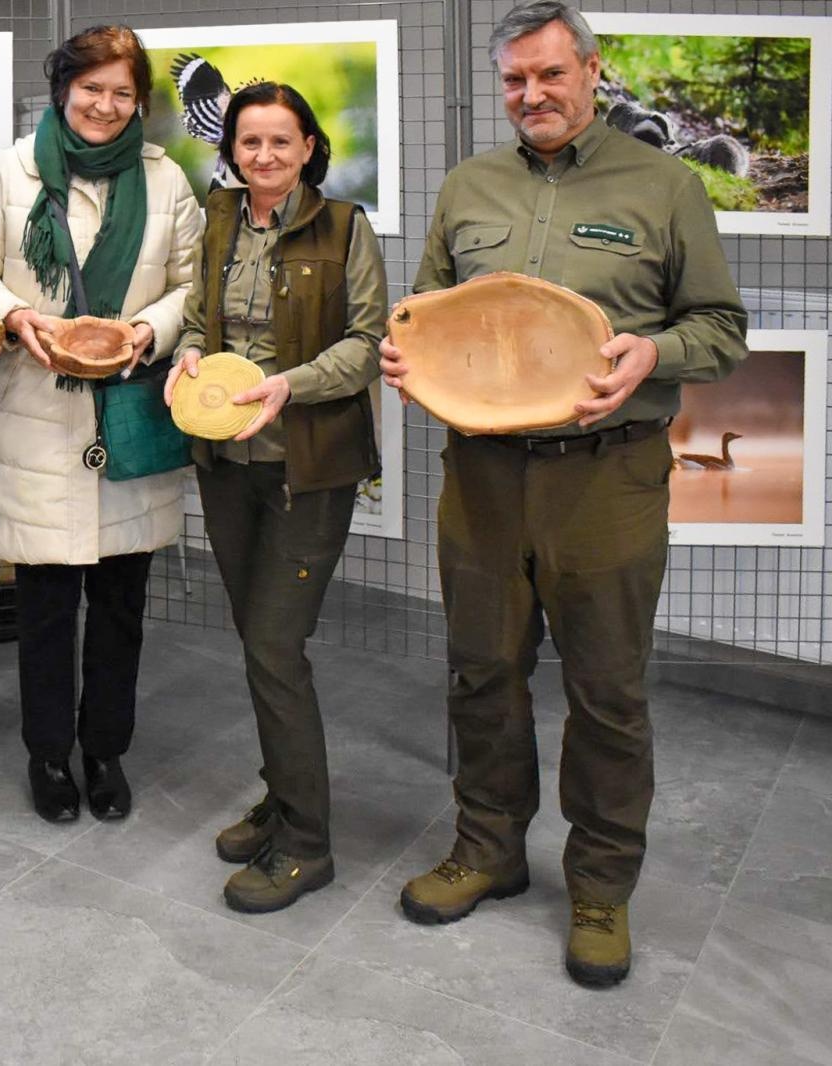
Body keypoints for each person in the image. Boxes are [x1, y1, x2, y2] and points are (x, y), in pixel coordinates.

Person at [380, 0, 747, 987]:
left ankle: (598, 886)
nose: (530, 95)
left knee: (608, 693)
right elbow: (421, 312)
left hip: (607, 475)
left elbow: (720, 327)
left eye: (548, 74)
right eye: (512, 80)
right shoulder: (470, 185)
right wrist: (400, 354)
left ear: (591, 72)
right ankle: (488, 849)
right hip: (484, 479)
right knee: (479, 673)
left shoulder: (663, 185)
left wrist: (652, 352)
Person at [0, 25, 202, 824]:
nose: (105, 105)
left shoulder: (167, 182)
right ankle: (49, 755)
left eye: (122, 92)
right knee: (47, 610)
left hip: (130, 410)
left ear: (140, 103)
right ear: (63, 89)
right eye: (91, 88)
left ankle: (105, 751)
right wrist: (15, 313)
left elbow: (195, 284)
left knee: (123, 606)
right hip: (35, 413)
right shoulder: (6, 172)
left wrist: (148, 332)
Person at [164, 82, 388, 913]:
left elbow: (368, 344)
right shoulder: (217, 219)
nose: (262, 156)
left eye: (279, 143)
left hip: (308, 467)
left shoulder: (345, 228)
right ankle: (282, 794)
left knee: (274, 649)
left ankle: (307, 842)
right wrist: (189, 356)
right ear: (231, 149)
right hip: (227, 461)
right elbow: (197, 317)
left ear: (307, 148)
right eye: (248, 142)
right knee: (256, 642)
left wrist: (285, 385)